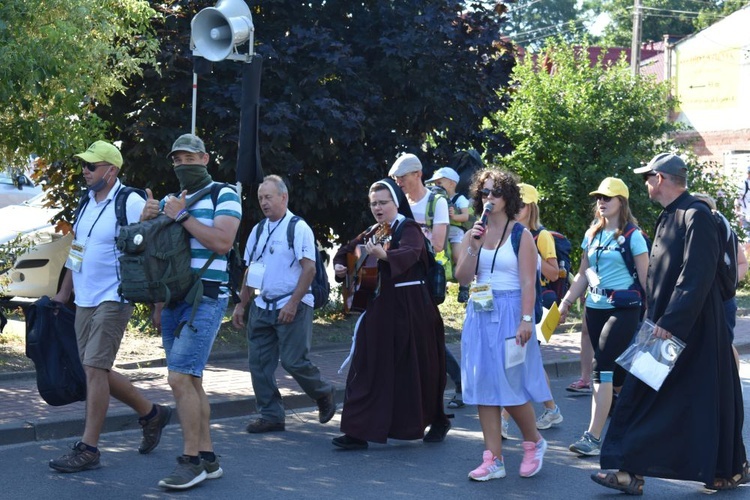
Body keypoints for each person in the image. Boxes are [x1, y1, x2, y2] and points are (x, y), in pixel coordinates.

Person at [592, 153, 748, 494]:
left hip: (686, 329)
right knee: (639, 392)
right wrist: (657, 319)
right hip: (662, 326)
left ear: (661, 178)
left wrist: (670, 323)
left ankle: (728, 469)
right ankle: (627, 470)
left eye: (648, 177)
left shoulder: (697, 215)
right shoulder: (671, 215)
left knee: (705, 399)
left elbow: (697, 275)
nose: (645, 183)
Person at [50, 140, 171, 473]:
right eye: (85, 165)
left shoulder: (129, 200)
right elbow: (77, 249)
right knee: (94, 367)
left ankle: (89, 448)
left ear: (112, 170)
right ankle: (152, 413)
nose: (85, 171)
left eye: (92, 166)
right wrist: (64, 293)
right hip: (85, 297)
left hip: (116, 296)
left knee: (93, 368)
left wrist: (158, 305)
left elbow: (153, 247)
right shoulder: (86, 202)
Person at [140, 134, 241, 490]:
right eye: (177, 160)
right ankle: (209, 458)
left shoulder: (224, 194)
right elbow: (156, 254)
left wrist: (180, 215)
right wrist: (149, 218)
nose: (183, 165)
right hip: (174, 299)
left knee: (179, 378)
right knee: (191, 380)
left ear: (205, 158)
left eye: (189, 158)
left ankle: (190, 461)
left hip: (207, 296)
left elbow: (222, 242)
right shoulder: (171, 200)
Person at [330, 178, 450, 450]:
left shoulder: (409, 228)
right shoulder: (374, 230)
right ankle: (357, 430)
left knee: (418, 368)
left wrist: (384, 255)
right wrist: (340, 266)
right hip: (383, 307)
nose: (378, 208)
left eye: (383, 202)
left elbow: (410, 253)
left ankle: (437, 420)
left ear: (396, 202)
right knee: (367, 363)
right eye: (374, 203)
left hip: (413, 307)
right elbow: (346, 250)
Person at [454, 168, 549, 481]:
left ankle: (534, 442)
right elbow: (462, 277)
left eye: (496, 192)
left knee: (510, 387)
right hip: (480, 312)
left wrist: (526, 320)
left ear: (508, 198)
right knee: (484, 386)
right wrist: (473, 245)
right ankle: (493, 458)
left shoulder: (521, 235)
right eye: (484, 193)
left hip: (511, 314)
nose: (489, 198)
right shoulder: (474, 233)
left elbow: (528, 282)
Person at [231, 175, 336, 435]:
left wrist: (292, 303)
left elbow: (309, 270)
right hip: (262, 305)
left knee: (293, 362)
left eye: (268, 197)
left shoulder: (297, 227)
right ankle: (271, 416)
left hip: (293, 305)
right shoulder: (257, 230)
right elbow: (251, 272)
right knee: (258, 363)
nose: (264, 203)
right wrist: (242, 304)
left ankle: (323, 393)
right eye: (260, 199)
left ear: (283, 197)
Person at [557, 177, 648, 457]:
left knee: (602, 367)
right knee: (616, 374)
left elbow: (647, 280)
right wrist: (565, 303)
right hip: (594, 310)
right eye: (599, 197)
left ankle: (593, 438)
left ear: (622, 202)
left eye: (608, 197)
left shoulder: (634, 236)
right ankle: (634, 422)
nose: (601, 202)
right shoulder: (592, 233)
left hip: (623, 309)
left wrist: (660, 317)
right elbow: (584, 273)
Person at [389, 154, 463, 409]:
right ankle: (443, 382)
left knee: (426, 332)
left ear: (418, 174)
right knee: (421, 331)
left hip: (426, 276)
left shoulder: (436, 202)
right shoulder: (399, 202)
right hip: (402, 274)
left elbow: (439, 243)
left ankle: (454, 380)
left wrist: (408, 239)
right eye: (396, 179)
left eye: (403, 177)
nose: (399, 183)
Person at [501, 183, 562, 433]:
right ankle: (552, 409)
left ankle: (503, 421)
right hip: (513, 303)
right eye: (515, 203)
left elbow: (555, 273)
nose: (517, 209)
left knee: (516, 361)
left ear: (532, 207)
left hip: (534, 306)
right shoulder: (506, 232)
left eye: (523, 205)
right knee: (525, 362)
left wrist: (534, 257)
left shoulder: (541, 235)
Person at [692, 193, 748, 372]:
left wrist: (729, 283)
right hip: (713, 297)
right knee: (718, 345)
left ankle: (732, 385)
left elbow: (741, 262)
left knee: (723, 345)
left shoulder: (718, 229)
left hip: (720, 299)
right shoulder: (717, 229)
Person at [425, 166, 472, 304]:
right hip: (438, 230)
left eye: (439, 183)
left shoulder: (460, 198)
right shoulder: (435, 198)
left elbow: (465, 216)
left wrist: (454, 216)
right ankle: (438, 284)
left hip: (454, 231)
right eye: (435, 184)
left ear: (451, 183)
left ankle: (464, 285)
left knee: (458, 255)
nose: (436, 186)